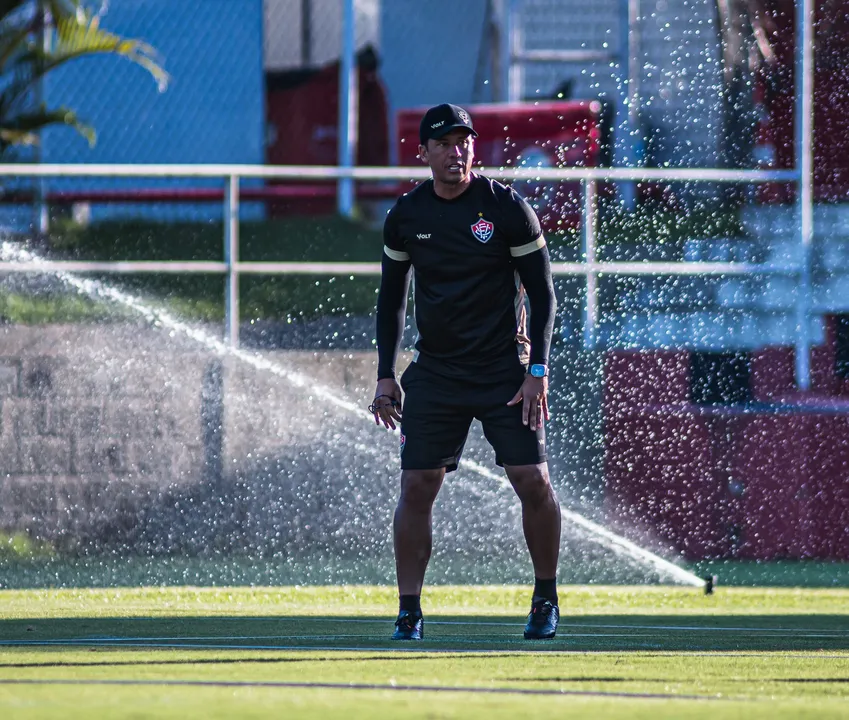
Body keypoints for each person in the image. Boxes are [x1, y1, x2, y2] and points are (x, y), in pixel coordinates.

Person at [371, 103, 561, 641]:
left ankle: (544, 599)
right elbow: (391, 301)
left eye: (465, 142)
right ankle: (409, 611)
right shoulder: (406, 216)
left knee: (533, 480)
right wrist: (387, 375)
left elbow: (544, 295)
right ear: (424, 152)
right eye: (445, 143)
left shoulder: (506, 208)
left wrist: (537, 371)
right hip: (437, 371)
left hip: (506, 369)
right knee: (417, 485)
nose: (457, 152)